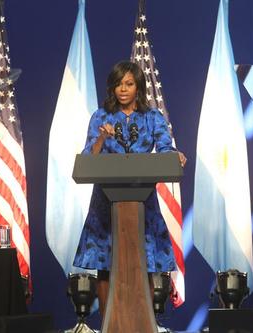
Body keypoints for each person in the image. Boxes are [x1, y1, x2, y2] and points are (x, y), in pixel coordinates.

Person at [73, 60, 186, 315]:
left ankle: (142, 324)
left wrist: (174, 156)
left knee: (143, 262)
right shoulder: (101, 116)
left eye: (128, 84)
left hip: (141, 197)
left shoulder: (152, 117)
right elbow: (89, 156)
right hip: (106, 200)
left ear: (139, 87)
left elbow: (165, 149)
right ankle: (108, 325)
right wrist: (102, 137)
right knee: (105, 265)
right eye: (117, 84)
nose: (122, 89)